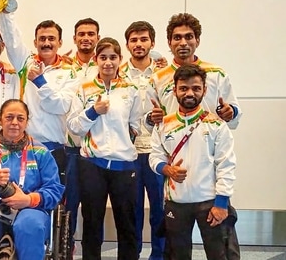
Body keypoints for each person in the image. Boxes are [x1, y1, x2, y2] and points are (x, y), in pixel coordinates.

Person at [148, 64, 238, 260]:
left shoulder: (216, 125)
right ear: (175, 90)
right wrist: (167, 169)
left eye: (196, 88)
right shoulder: (163, 125)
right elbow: (154, 156)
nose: (190, 93)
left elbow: (226, 165)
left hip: (210, 203)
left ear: (204, 90)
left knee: (220, 255)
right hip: (176, 203)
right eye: (184, 88)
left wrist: (222, 203)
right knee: (177, 256)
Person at [67, 38, 143, 260]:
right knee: (92, 222)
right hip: (92, 164)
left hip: (124, 165)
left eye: (113, 57)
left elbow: (136, 124)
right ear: (95, 60)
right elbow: (73, 126)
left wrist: (126, 139)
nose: (108, 62)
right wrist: (93, 111)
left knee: (127, 223)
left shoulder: (131, 89)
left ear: (120, 60)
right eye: (103, 57)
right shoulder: (84, 88)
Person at [0, 99, 64, 260]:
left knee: (29, 225)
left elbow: (54, 190)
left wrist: (28, 199)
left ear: (27, 122)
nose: (14, 122)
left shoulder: (41, 152)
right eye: (9, 117)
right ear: (0, 120)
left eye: (20, 118)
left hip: (30, 211)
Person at [0, 5, 78, 190]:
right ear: (35, 42)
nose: (46, 43)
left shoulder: (70, 73)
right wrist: (4, 9)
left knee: (53, 203)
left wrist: (40, 82)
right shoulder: (26, 63)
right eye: (42, 39)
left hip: (54, 149)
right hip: (24, 147)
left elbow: (61, 106)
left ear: (60, 42)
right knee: (18, 197)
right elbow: (12, 38)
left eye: (51, 39)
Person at [147, 13, 242, 129]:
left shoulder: (216, 74)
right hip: (172, 143)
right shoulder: (157, 78)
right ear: (169, 42)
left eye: (188, 37)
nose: (183, 43)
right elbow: (145, 118)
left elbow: (235, 113)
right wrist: (151, 118)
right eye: (177, 38)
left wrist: (231, 112)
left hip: (210, 143)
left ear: (197, 40)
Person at [121, 21, 165, 260]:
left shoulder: (163, 74)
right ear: (127, 44)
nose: (139, 44)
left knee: (159, 208)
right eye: (134, 40)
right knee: (131, 209)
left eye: (143, 39)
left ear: (152, 43)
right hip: (128, 152)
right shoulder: (118, 73)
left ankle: (158, 255)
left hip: (158, 150)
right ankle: (132, 254)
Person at [63, 18, 100, 248]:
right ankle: (67, 250)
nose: (86, 37)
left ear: (97, 37)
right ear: (74, 38)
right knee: (68, 205)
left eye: (91, 34)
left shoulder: (106, 66)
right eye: (81, 34)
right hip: (69, 146)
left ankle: (91, 253)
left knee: (93, 207)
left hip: (96, 150)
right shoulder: (63, 68)